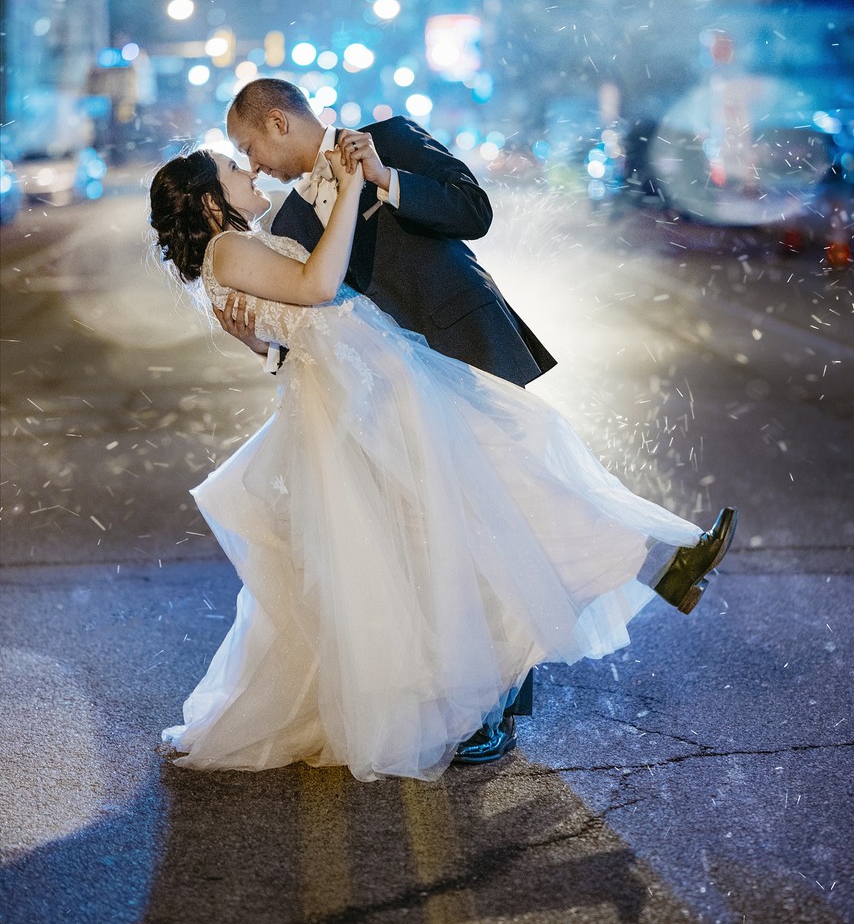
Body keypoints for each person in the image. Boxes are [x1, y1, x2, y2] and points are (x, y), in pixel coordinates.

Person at [148, 145, 737, 783]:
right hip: (370, 394)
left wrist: (258, 342)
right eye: (236, 169)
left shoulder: (235, 250)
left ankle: (658, 559)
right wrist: (349, 187)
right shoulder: (227, 250)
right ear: (210, 202)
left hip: (377, 379)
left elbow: (289, 331)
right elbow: (317, 288)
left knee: (503, 481)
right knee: (487, 500)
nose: (251, 172)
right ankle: (650, 567)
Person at [221, 77, 558, 764]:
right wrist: (263, 346)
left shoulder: (394, 137)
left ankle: (494, 702)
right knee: (453, 542)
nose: (251, 164)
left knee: (504, 527)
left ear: (280, 122)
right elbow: (313, 325)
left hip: (474, 356)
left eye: (249, 146)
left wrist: (385, 177)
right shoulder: (286, 227)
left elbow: (475, 211)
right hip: (398, 396)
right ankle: (480, 699)